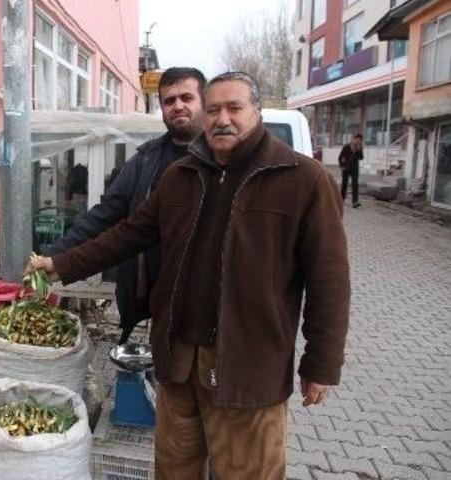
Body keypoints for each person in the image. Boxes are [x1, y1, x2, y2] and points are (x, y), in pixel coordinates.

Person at [29, 72, 350, 480]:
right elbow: (127, 234)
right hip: (178, 362)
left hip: (248, 370)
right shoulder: (182, 175)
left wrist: (321, 364)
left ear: (257, 111)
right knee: (174, 470)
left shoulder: (303, 179)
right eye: (214, 109)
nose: (222, 118)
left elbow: (330, 281)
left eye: (234, 107)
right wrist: (60, 265)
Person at [44, 67, 207, 344]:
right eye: (169, 101)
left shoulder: (220, 160)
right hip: (151, 289)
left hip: (203, 296)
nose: (178, 106)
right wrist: (54, 256)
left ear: (204, 101)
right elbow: (105, 216)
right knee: (161, 371)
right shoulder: (146, 161)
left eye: (186, 98)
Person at [339, 133, 364, 207]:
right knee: (344, 184)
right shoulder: (347, 146)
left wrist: (359, 150)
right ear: (354, 139)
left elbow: (361, 158)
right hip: (346, 168)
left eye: (360, 140)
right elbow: (340, 157)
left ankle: (355, 202)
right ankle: (341, 199)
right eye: (358, 140)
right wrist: (342, 166)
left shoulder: (360, 147)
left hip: (354, 168)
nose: (359, 141)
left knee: (355, 184)